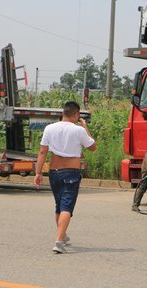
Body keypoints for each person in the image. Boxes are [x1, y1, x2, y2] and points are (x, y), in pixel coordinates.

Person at [34, 101, 96, 254]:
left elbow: (42, 152)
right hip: (71, 172)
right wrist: (85, 127)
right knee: (67, 207)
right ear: (76, 114)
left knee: (59, 206)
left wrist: (38, 172)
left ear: (63, 113)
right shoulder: (78, 130)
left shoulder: (49, 128)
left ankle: (63, 235)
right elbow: (93, 147)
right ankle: (59, 241)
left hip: (54, 171)